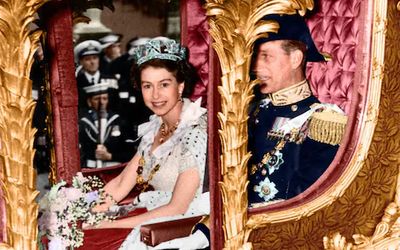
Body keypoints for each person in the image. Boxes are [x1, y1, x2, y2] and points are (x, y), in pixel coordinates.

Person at [85, 37, 210, 250]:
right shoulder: (155, 127)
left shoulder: (195, 133)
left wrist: (112, 224)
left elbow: (177, 207)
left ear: (180, 86)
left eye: (164, 84)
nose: (155, 95)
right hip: (152, 212)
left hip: (181, 227)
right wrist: (87, 211)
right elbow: (122, 183)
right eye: (147, 86)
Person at [248, 14, 347, 206]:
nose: (256, 67)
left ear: (295, 58)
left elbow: (311, 203)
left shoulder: (321, 122)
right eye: (255, 56)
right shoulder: (253, 111)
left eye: (266, 56)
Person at [78, 82, 136, 168]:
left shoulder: (119, 121)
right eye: (97, 99)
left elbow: (131, 153)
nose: (101, 102)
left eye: (104, 99)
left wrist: (110, 156)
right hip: (90, 171)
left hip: (114, 171)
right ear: (89, 102)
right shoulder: (83, 123)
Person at [74, 40, 119, 116]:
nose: (92, 62)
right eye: (87, 59)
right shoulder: (76, 82)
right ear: (81, 62)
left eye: (95, 58)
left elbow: (116, 105)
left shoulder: (111, 79)